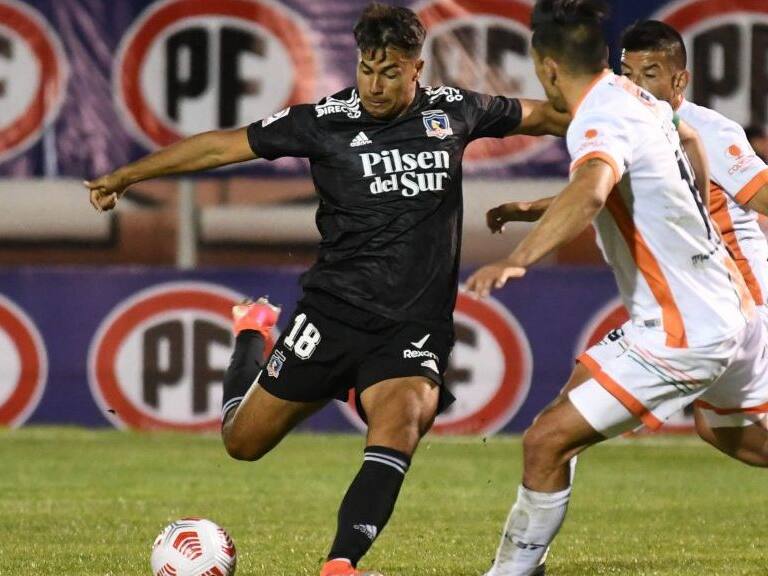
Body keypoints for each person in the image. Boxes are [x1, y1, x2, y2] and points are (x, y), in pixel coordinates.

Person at [84, 3, 567, 575]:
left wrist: (628, 128)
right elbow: (221, 146)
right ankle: (250, 333)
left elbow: (544, 116)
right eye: (366, 68)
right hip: (331, 314)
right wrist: (126, 174)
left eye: (390, 72)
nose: (375, 84)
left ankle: (340, 565)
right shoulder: (325, 120)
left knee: (402, 419)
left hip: (411, 327)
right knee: (243, 443)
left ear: (418, 67)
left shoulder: (456, 110)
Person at [465, 1, 766, 575]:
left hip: (683, 333)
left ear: (546, 68)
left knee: (545, 441)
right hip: (708, 311)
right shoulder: (639, 98)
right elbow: (687, 148)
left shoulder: (596, 118)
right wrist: (699, 224)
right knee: (716, 429)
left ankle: (512, 572)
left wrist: (519, 260)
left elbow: (592, 189)